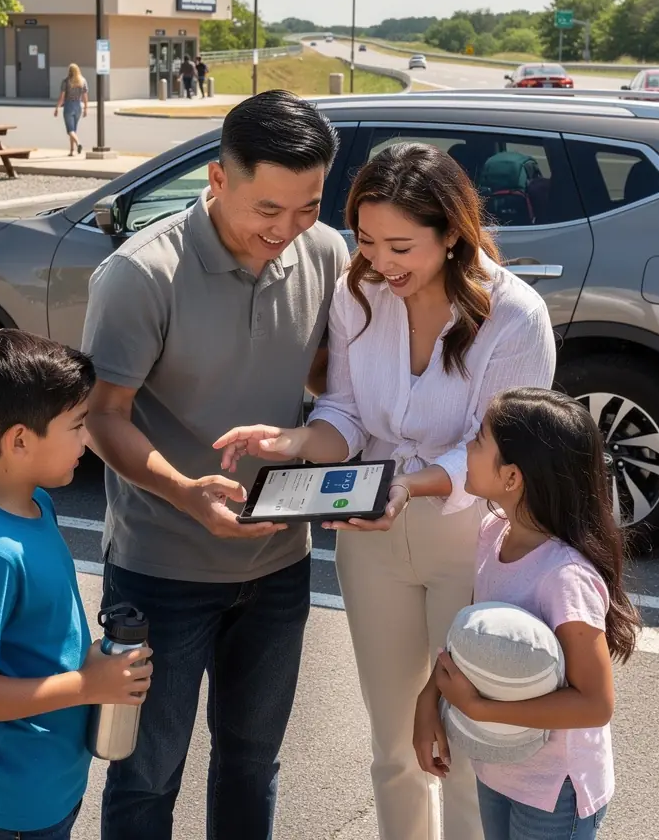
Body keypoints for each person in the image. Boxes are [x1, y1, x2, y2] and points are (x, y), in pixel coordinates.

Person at [214, 141, 557, 840]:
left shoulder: (515, 317)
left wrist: (410, 486)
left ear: (452, 233)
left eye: (400, 245)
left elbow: (500, 453)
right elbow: (342, 414)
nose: (378, 261)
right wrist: (292, 443)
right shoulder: (357, 291)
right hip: (370, 539)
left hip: (471, 537)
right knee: (394, 742)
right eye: (366, 240)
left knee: (461, 740)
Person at [81, 89, 349, 839]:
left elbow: (332, 383)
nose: (287, 231)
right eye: (269, 209)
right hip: (161, 571)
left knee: (252, 763)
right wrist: (184, 491)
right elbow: (102, 416)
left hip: (278, 563)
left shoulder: (324, 252)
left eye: (306, 207)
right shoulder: (141, 276)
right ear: (218, 179)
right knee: (145, 776)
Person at [0, 328, 154, 840]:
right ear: (20, 439)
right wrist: (88, 685)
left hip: (45, 784)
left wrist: (93, 664)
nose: (87, 437)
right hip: (6, 807)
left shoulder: (36, 505)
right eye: (76, 425)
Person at [415, 387, 640, 840]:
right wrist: (427, 701)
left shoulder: (565, 578)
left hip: (556, 791)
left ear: (512, 477)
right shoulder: (491, 533)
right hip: (499, 766)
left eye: (479, 440)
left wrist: (478, 707)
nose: (468, 449)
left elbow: (596, 704)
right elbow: (477, 640)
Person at [55, 63, 90, 156]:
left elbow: (62, 97)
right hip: (78, 105)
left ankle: (78, 143)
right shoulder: (83, 81)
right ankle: (71, 151)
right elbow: (85, 96)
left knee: (70, 130)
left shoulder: (66, 81)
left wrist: (57, 107)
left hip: (69, 105)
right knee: (74, 130)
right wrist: (86, 108)